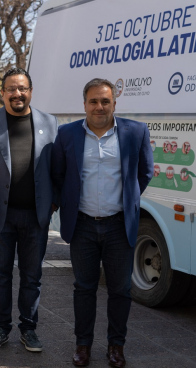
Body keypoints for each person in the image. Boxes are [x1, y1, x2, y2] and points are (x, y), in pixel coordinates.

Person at [51, 78, 153, 367]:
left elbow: (144, 173)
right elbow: (59, 174)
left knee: (120, 290)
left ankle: (116, 346)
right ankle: (82, 345)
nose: (99, 106)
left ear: (114, 103)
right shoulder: (67, 134)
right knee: (84, 288)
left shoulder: (135, 132)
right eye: (93, 101)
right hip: (82, 225)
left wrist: (127, 202)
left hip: (119, 225)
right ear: (84, 104)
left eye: (105, 101)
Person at [0, 67, 58, 352]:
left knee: (32, 276)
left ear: (30, 92)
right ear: (2, 93)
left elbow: (58, 168)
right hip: (0, 216)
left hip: (36, 216)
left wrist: (53, 203)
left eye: (22, 88)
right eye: (11, 89)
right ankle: (1, 327)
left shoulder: (50, 123)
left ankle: (29, 328)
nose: (17, 94)